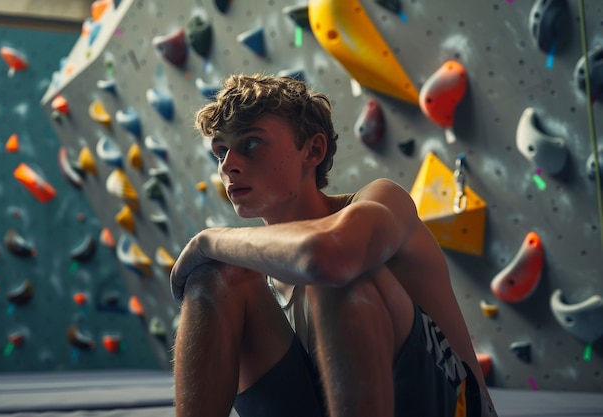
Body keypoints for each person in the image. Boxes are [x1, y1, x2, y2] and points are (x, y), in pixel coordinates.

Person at [170, 73, 497, 417]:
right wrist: (212, 253)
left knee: (338, 274)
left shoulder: (379, 201)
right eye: (220, 151)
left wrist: (209, 240)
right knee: (215, 278)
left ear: (313, 150)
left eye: (250, 143)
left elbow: (331, 255)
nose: (228, 165)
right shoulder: (251, 280)